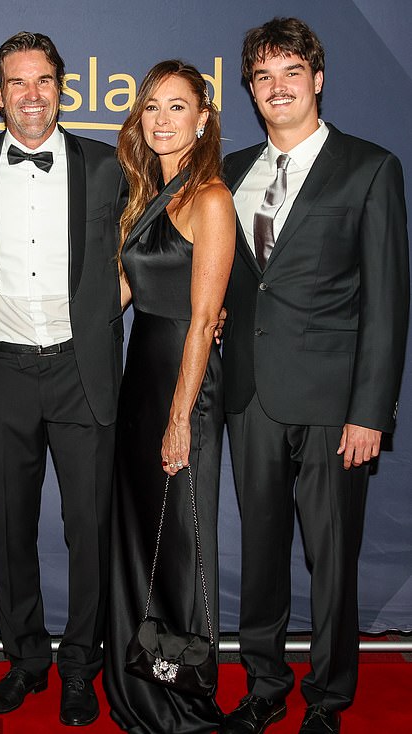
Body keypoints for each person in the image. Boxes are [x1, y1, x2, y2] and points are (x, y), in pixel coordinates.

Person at [220, 17, 409, 734]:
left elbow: (388, 304)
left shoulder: (369, 167)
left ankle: (328, 699)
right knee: (261, 556)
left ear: (317, 78)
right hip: (251, 397)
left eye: (291, 72)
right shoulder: (232, 171)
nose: (277, 87)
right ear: (251, 87)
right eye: (263, 76)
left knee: (331, 562)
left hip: (335, 404)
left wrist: (372, 410)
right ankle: (265, 684)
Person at [0, 32, 127, 727]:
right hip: (4, 372)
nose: (31, 95)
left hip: (84, 373)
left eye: (43, 81)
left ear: (62, 88)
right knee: (12, 531)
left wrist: (111, 316)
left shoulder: (108, 167)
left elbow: (148, 251)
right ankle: (26, 662)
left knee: (89, 528)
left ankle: (82, 667)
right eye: (17, 83)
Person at [103, 60, 235, 733]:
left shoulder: (210, 197)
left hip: (184, 388)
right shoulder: (148, 197)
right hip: (138, 384)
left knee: (180, 545)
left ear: (202, 118)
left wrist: (181, 418)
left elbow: (205, 319)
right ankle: (136, 688)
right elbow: (113, 300)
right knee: (134, 539)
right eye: (151, 107)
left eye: (177, 107)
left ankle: (181, 696)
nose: (161, 120)